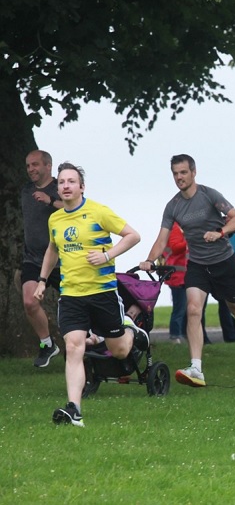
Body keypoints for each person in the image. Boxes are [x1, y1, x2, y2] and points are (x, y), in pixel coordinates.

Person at [139, 154, 235, 388]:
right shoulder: (173, 206)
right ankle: (196, 368)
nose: (179, 177)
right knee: (193, 309)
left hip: (223, 262)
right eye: (175, 174)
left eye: (183, 172)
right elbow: (162, 239)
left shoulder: (209, 195)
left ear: (193, 172)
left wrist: (220, 233)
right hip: (198, 265)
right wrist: (149, 259)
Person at [34, 162, 146, 426]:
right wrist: (41, 280)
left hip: (102, 293)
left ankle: (131, 329)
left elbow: (133, 236)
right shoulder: (56, 219)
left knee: (118, 351)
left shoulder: (98, 212)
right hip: (71, 295)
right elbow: (52, 250)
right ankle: (74, 410)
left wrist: (107, 255)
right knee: (74, 347)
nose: (66, 186)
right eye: (61, 182)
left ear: (81, 186)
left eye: (71, 181)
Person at [21, 150, 63, 368]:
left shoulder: (60, 187)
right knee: (29, 301)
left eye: (35, 165)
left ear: (48, 166)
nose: (31, 169)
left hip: (62, 259)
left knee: (78, 304)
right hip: (33, 259)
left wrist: (50, 201)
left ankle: (93, 343)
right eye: (28, 166)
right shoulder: (26, 191)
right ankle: (47, 344)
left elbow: (74, 206)